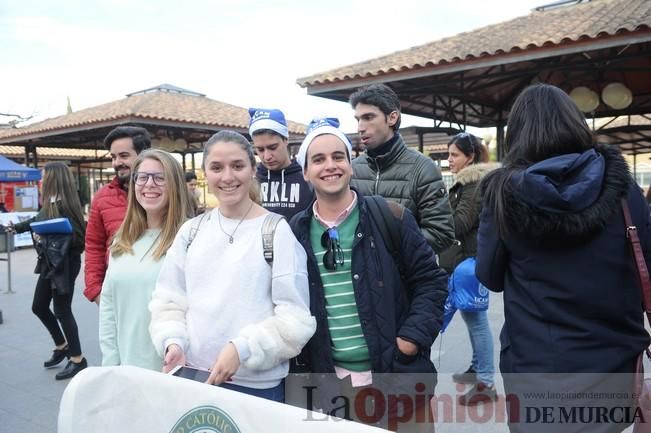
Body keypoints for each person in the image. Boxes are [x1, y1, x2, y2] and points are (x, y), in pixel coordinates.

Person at [476, 84, 650, 432]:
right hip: (613, 362)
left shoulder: (504, 195)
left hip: (537, 367)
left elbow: (490, 276)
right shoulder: (622, 189)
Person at [289, 118, 448, 430]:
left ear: (351, 163)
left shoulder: (390, 216)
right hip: (334, 386)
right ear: (306, 171)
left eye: (338, 157)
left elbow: (432, 281)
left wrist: (409, 340)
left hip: (397, 377)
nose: (330, 166)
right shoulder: (296, 232)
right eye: (318, 159)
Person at [149, 130, 315, 402]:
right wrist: (173, 341)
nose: (227, 177)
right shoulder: (191, 231)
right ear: (205, 172)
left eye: (237, 166)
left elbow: (295, 319)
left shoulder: (276, 231)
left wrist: (242, 349)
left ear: (252, 169)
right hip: (194, 377)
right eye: (217, 167)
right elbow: (168, 302)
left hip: (256, 388)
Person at [99, 149, 191, 371]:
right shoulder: (123, 238)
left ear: (175, 185)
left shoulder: (190, 238)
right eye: (142, 176)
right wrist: (111, 364)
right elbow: (108, 307)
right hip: (126, 369)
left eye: (160, 177)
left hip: (172, 369)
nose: (149, 184)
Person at [349, 84, 455, 255]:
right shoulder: (352, 169)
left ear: (392, 118)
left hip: (406, 279)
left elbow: (441, 233)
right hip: (362, 279)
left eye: (368, 117)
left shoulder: (422, 168)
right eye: (358, 119)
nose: (360, 127)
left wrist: (389, 250)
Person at [10, 162, 88, 380]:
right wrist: (13, 228)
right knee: (39, 306)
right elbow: (36, 221)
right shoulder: (51, 203)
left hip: (65, 265)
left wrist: (49, 236)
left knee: (62, 311)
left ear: (54, 179)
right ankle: (61, 346)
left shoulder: (66, 205)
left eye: (44, 177)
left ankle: (78, 360)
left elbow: (79, 239)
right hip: (50, 263)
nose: (41, 181)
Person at [438, 132, 499, 405]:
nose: (449, 160)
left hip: (470, 262)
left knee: (477, 322)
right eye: (449, 154)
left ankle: (486, 383)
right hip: (465, 260)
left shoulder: (473, 185)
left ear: (470, 157)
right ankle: (478, 369)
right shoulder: (466, 184)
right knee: (471, 318)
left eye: (454, 155)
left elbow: (460, 223)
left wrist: (434, 218)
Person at [84, 126, 151, 305]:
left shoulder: (163, 193)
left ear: (143, 154)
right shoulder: (102, 197)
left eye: (124, 156)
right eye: (113, 157)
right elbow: (94, 246)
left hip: (157, 292)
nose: (116, 163)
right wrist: (95, 290)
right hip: (116, 294)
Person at [249, 107, 313, 219]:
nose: (267, 156)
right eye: (260, 150)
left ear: (286, 140)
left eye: (273, 147)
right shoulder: (251, 181)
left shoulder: (308, 178)